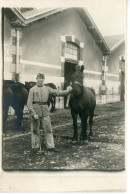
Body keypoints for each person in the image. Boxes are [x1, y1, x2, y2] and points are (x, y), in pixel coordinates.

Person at [27, 73, 72, 152]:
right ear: (36, 79)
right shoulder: (32, 89)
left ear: (44, 80)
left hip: (45, 111)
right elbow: (29, 103)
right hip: (36, 112)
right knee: (35, 130)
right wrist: (34, 113)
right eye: (39, 78)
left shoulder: (47, 89)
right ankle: (35, 147)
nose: (40, 80)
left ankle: (50, 146)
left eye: (42, 78)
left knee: (48, 129)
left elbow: (57, 92)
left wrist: (67, 91)